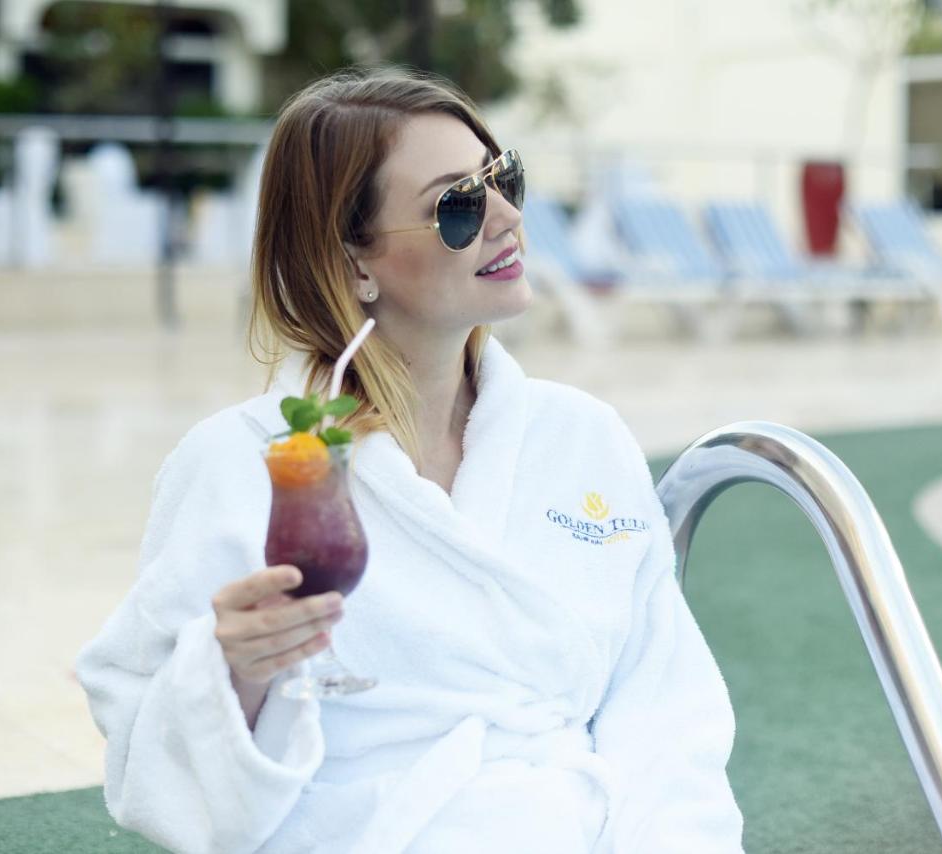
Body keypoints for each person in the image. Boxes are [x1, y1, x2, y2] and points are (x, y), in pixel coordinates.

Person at [75, 66, 743, 854]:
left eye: (504, 180)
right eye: (457, 205)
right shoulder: (240, 464)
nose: (507, 218)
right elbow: (147, 751)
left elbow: (665, 704)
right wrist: (233, 674)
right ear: (353, 263)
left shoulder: (582, 436)